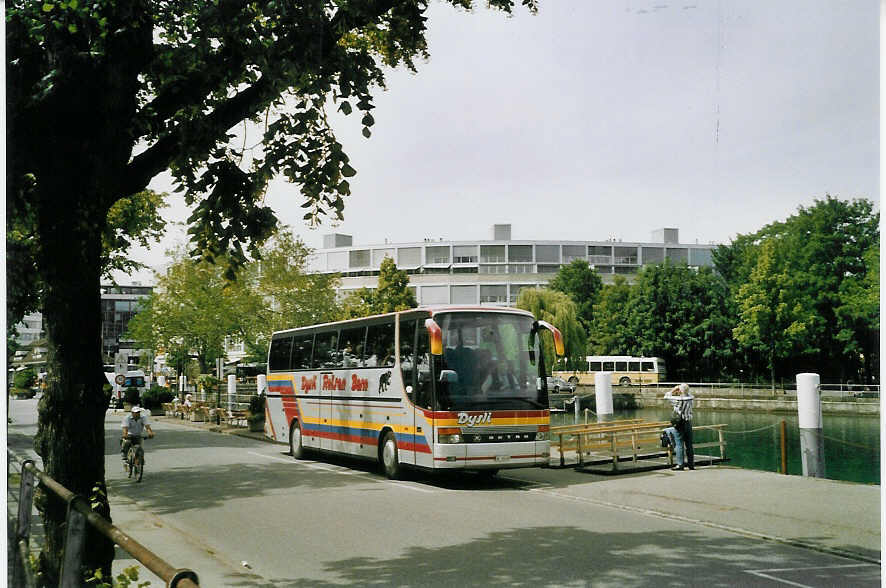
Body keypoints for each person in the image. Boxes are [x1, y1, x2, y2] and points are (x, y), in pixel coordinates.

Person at [664, 383, 694, 470]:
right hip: (688, 422)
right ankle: (691, 464)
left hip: (680, 423)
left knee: (679, 444)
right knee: (689, 444)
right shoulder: (691, 398)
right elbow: (688, 393)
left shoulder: (677, 400)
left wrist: (674, 389)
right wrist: (682, 389)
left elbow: (666, 396)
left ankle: (680, 464)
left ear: (680, 390)